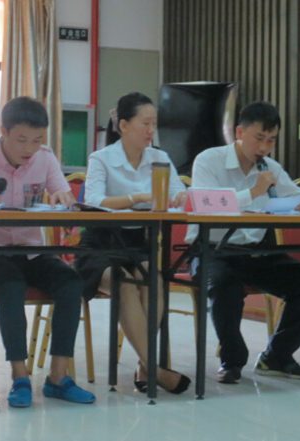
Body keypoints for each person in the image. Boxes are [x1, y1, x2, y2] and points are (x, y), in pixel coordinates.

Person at [0, 96, 95, 408]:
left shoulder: (45, 158)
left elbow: (60, 191)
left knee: (71, 283)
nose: (29, 149)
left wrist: (63, 198)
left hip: (32, 251)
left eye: (37, 140)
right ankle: (20, 376)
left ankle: (58, 378)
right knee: (11, 286)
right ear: (3, 132)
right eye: (22, 140)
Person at [187, 102, 300, 384]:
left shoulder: (271, 168)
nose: (264, 147)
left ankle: (277, 356)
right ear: (239, 132)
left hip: (256, 253)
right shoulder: (209, 160)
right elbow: (205, 204)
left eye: (271, 140)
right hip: (213, 250)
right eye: (259, 138)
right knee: (225, 284)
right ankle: (232, 360)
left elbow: (296, 195)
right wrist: (254, 192)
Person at [74, 92, 191, 394]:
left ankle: (145, 366)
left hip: (138, 243)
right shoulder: (101, 158)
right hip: (100, 244)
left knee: (154, 279)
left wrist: (180, 197)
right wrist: (136, 198)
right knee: (125, 283)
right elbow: (93, 200)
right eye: (145, 123)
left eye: (154, 124)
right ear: (124, 125)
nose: (151, 130)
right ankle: (154, 368)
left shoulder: (159, 158)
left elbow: (177, 196)